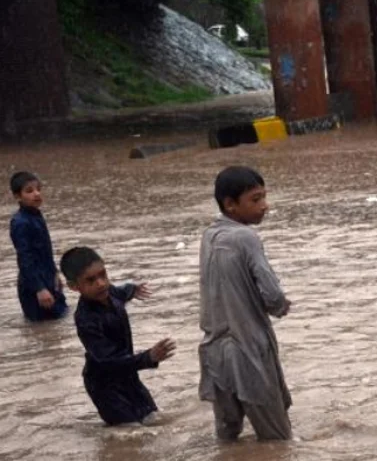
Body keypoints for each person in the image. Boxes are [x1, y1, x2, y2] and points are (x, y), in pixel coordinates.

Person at [199, 166, 292, 442]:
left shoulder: (209, 236)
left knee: (228, 439)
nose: (265, 206)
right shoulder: (246, 237)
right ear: (230, 205)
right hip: (248, 349)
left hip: (215, 351)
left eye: (264, 197)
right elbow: (272, 295)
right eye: (255, 199)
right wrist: (281, 306)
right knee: (277, 439)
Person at [60, 246, 175, 426]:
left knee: (154, 418)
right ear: (74, 286)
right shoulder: (86, 319)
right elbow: (108, 361)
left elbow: (121, 292)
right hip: (104, 385)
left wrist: (133, 289)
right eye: (91, 280)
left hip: (128, 376)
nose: (101, 283)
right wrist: (148, 358)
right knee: (130, 432)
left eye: (103, 275)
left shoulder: (109, 292)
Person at [9, 171, 67, 321]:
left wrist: (55, 274)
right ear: (17, 197)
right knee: (43, 325)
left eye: (38, 189)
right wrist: (39, 289)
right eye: (29, 191)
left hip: (47, 278)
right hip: (34, 285)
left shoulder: (35, 215)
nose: (36, 194)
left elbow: (45, 251)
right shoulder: (20, 222)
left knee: (60, 320)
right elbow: (25, 258)